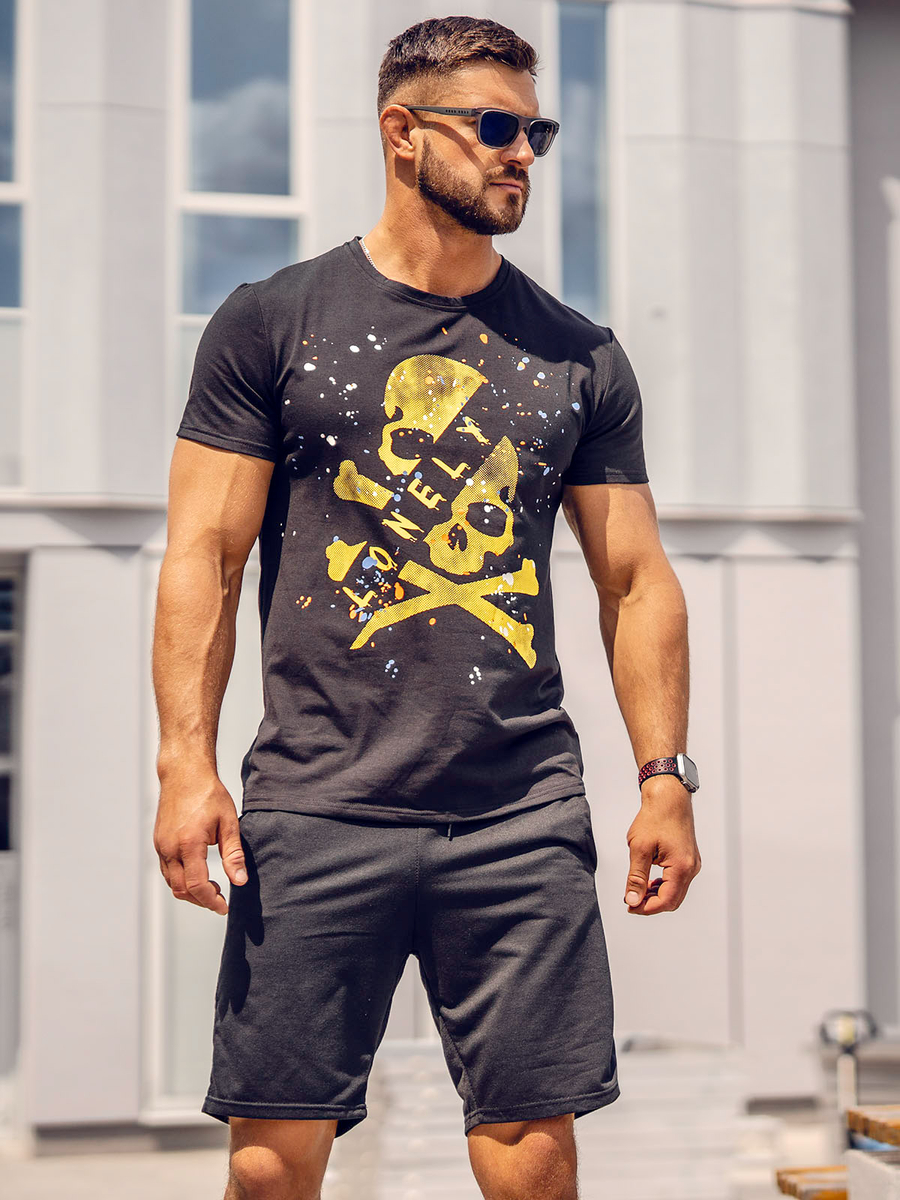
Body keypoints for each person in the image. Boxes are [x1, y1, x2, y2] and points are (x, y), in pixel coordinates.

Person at [152, 15, 701, 1200]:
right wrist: (183, 763)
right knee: (270, 1164)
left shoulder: (578, 357)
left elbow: (635, 578)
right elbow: (206, 553)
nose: (523, 155)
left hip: (517, 811)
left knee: (535, 1162)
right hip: (316, 802)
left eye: (538, 132)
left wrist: (666, 777)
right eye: (496, 127)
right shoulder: (272, 321)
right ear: (403, 133)